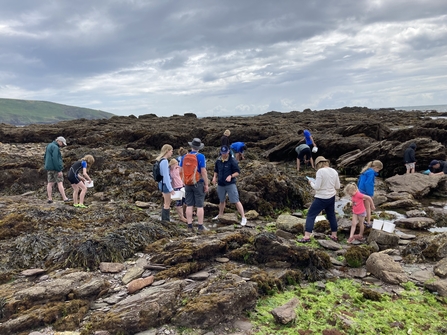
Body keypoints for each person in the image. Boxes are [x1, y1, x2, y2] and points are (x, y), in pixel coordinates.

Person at [298, 156, 340, 243]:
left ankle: (306, 237)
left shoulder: (320, 171)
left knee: (311, 215)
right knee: (331, 215)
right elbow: (338, 186)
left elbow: (317, 187)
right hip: (331, 197)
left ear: (318, 164)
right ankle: (334, 235)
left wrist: (311, 183)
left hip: (321, 197)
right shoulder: (334, 171)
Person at [212, 146, 247, 226]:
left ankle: (243, 217)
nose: (223, 155)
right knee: (221, 200)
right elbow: (216, 170)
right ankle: (220, 214)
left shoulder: (233, 161)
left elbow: (237, 172)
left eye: (225, 153)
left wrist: (231, 176)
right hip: (220, 184)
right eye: (222, 153)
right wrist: (214, 177)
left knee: (236, 200)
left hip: (230, 184)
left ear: (228, 152)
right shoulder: (218, 160)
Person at [180, 138, 209, 232]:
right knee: (200, 206)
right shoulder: (201, 156)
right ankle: (200, 227)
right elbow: (203, 171)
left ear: (191, 146)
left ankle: (189, 226)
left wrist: (184, 180)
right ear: (199, 147)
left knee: (189, 205)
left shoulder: (184, 157)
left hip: (187, 183)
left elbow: (180, 170)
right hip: (198, 182)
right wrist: (206, 184)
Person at [44, 136, 70, 204]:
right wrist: (59, 170)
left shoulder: (49, 145)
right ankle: (65, 198)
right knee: (60, 182)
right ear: (59, 141)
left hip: (49, 167)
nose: (62, 145)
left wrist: (46, 165)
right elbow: (56, 159)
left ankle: (50, 198)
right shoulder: (55, 147)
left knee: (50, 183)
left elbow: (45, 157)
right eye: (62, 143)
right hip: (55, 168)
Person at [357, 160, 383, 227]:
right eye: (379, 169)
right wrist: (370, 194)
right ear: (376, 167)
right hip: (366, 192)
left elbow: (359, 181)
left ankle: (360, 220)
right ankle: (368, 222)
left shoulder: (366, 170)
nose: (378, 171)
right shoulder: (371, 172)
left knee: (361, 207)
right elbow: (368, 183)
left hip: (360, 190)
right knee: (368, 207)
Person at [156, 144, 175, 221]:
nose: (172, 153)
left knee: (165, 203)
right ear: (167, 151)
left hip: (161, 184)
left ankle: (164, 219)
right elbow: (166, 176)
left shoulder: (160, 160)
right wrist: (170, 188)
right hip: (165, 185)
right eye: (171, 151)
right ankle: (166, 221)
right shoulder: (164, 161)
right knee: (167, 203)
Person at [169, 158, 187, 223]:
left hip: (182, 185)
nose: (177, 164)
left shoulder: (178, 168)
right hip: (176, 187)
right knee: (179, 202)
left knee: (185, 201)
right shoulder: (170, 170)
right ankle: (181, 217)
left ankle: (184, 215)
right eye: (176, 163)